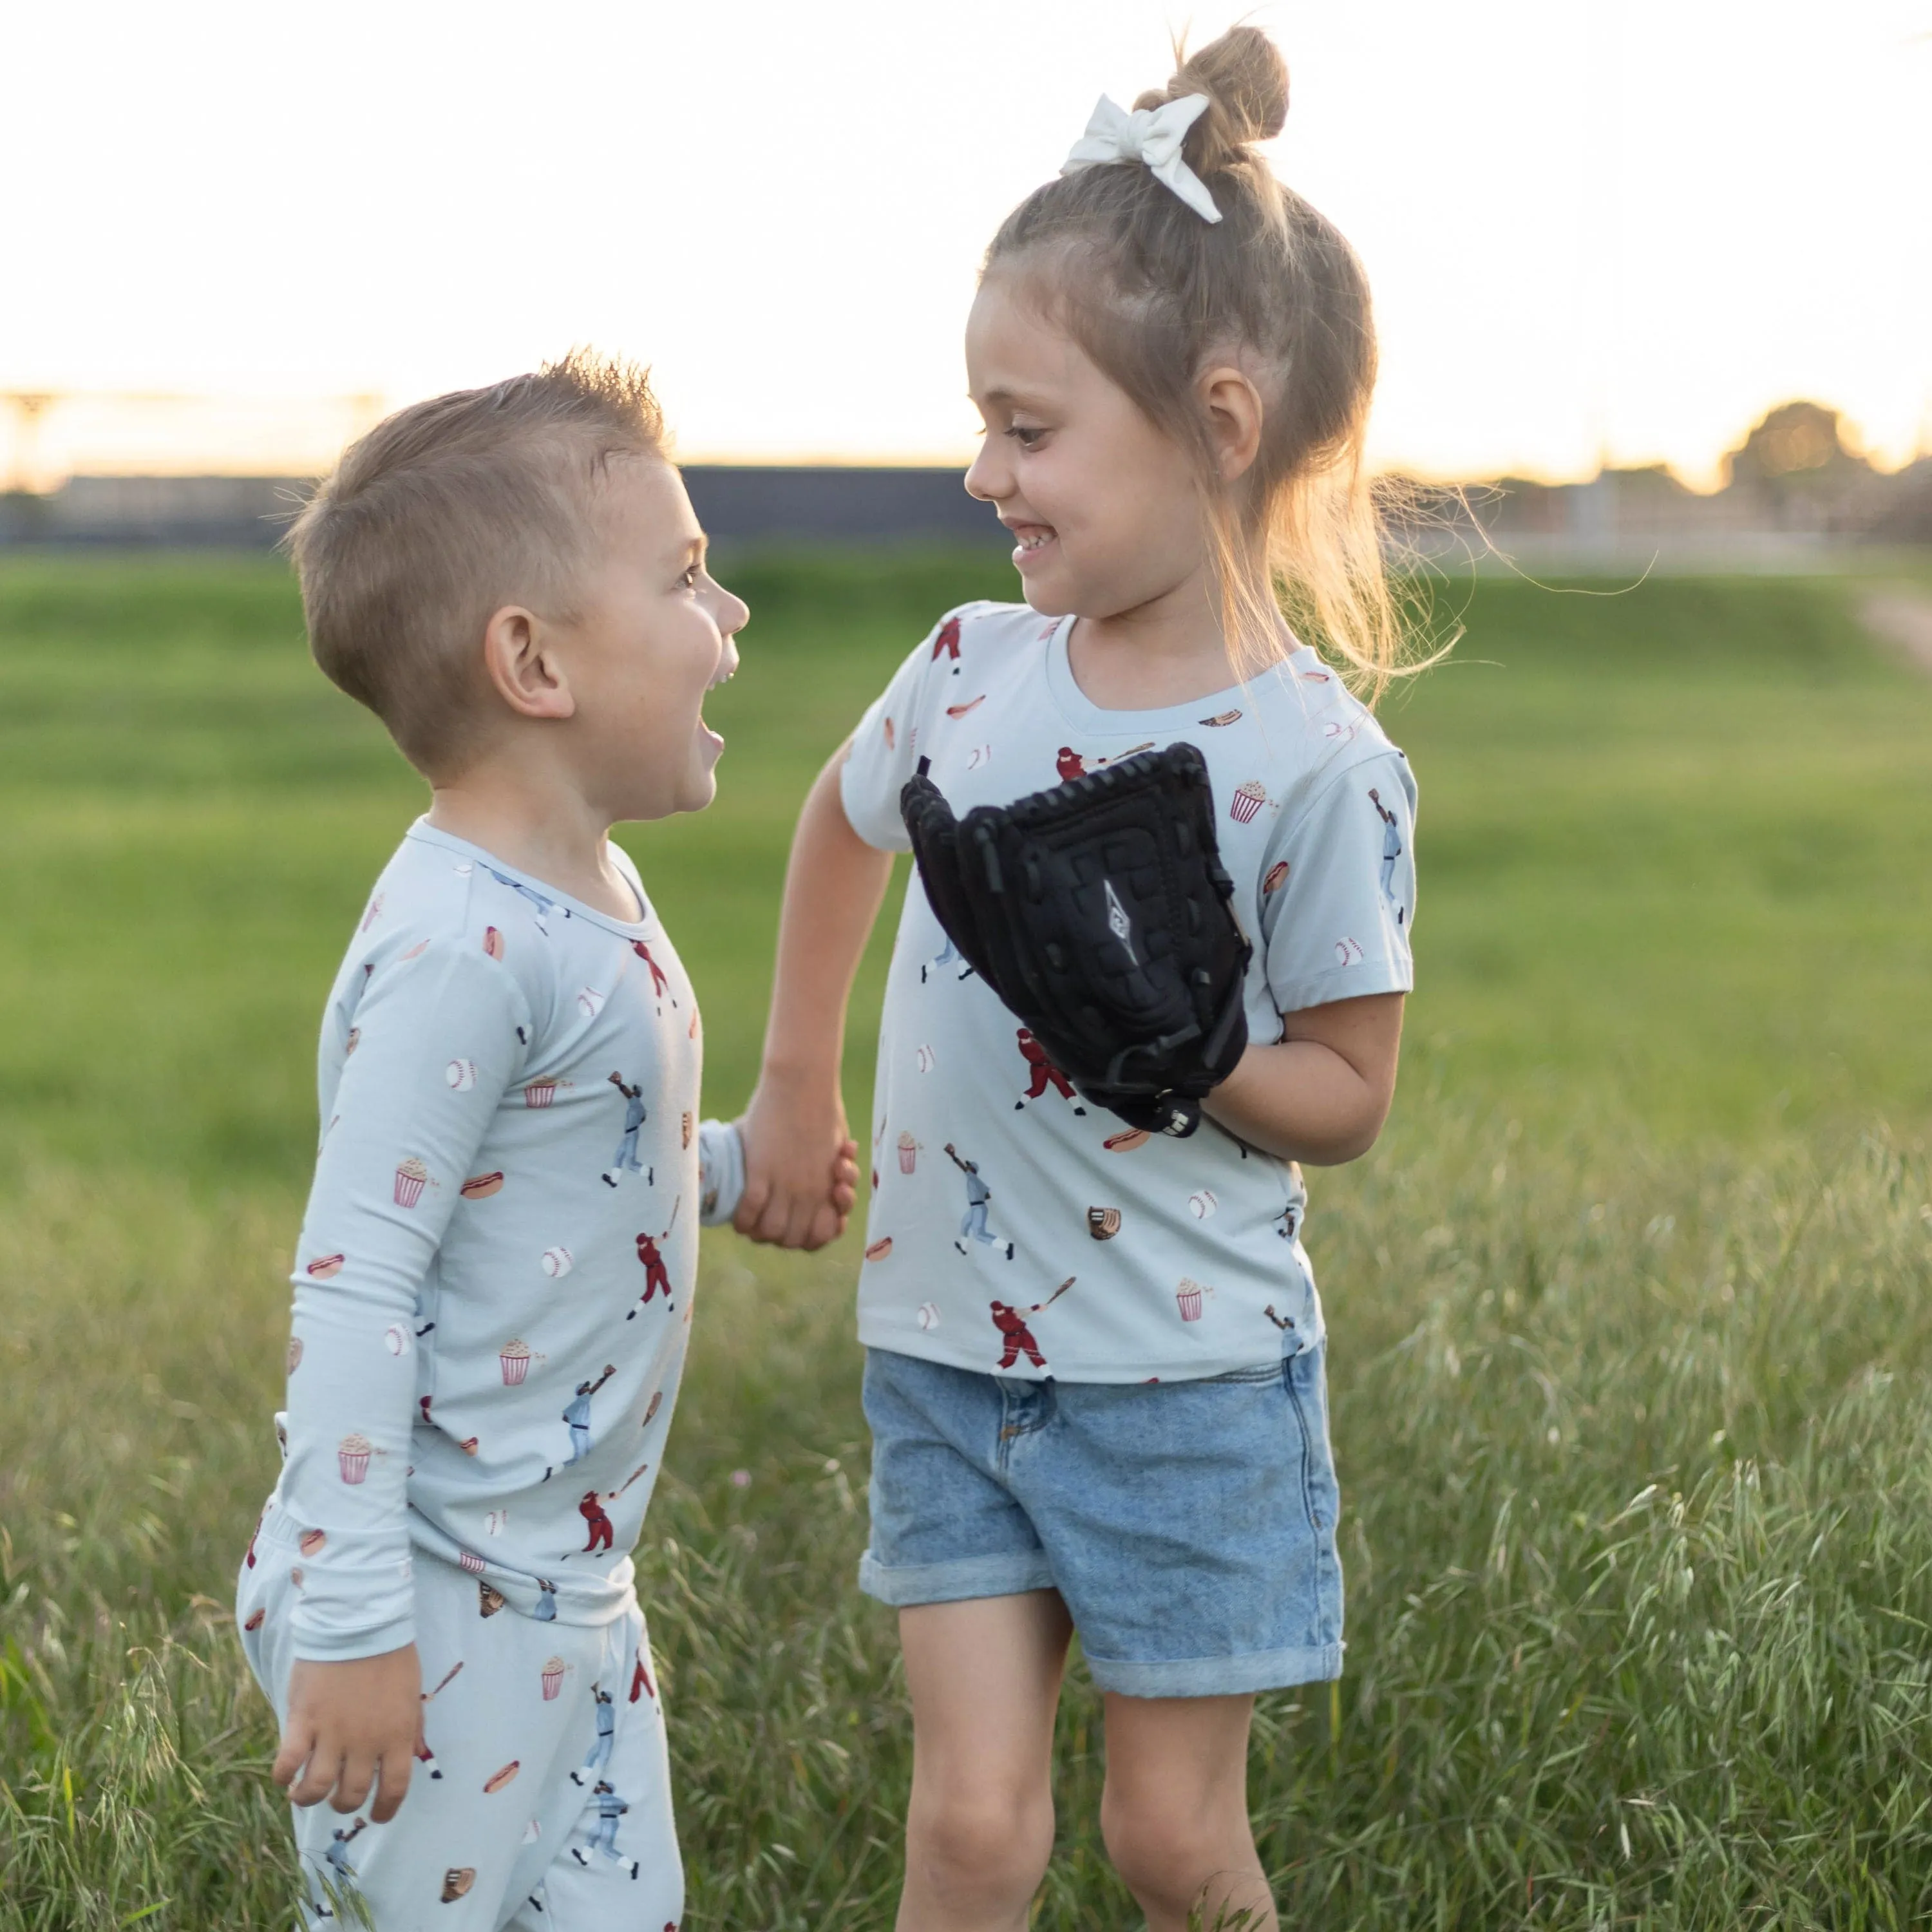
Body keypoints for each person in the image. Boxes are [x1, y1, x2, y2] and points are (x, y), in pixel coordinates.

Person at [729, 30, 1421, 1932]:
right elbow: (842, 824)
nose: (984, 474)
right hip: (948, 1355)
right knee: (967, 1831)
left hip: (1185, 1385)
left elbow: (1350, 1099)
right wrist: (799, 1077)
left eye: (1030, 432)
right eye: (981, 422)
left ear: (1215, 419)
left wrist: (1194, 1052)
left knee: (1170, 1848)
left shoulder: (1315, 763)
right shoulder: (966, 669)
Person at [234, 352, 856, 1931]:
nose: (731, 624)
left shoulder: (584, 892)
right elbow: (359, 1280)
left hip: (572, 1586)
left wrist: (721, 1172)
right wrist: (361, 1627)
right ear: (534, 662)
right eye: (688, 579)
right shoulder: (460, 946)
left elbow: (563, 1163)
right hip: (439, 1596)